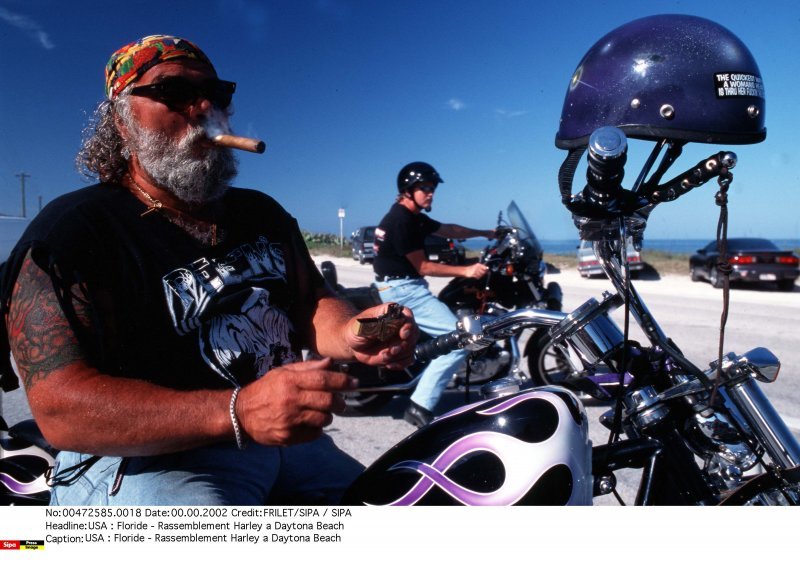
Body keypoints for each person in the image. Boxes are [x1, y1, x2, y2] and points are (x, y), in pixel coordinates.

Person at [0, 35, 417, 506]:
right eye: (173, 93)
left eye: (216, 94)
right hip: (137, 461)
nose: (202, 107)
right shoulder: (75, 231)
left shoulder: (261, 213)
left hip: (281, 447)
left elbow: (308, 302)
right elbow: (60, 408)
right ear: (121, 120)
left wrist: (354, 332)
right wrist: (239, 411)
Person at [372, 162, 494, 427]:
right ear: (408, 190)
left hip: (403, 285)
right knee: (461, 340)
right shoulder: (401, 220)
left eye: (432, 188)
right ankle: (420, 405)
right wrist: (467, 270)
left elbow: (448, 230)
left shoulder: (412, 216)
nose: (430, 193)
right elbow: (423, 267)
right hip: (404, 291)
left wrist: (485, 233)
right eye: (424, 188)